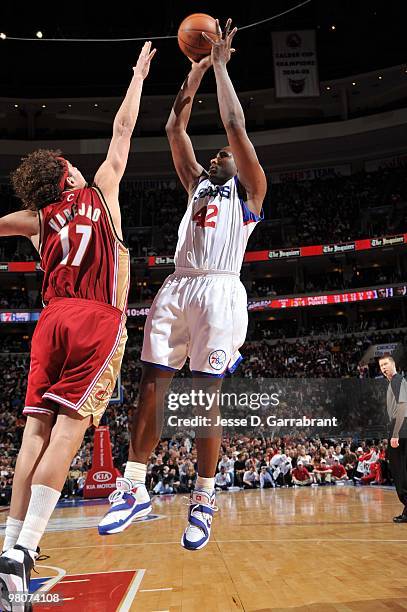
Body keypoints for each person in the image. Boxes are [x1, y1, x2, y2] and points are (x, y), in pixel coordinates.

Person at [98, 18, 266, 551]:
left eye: (223, 155)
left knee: (203, 398)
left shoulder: (251, 192)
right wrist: (192, 74)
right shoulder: (196, 183)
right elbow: (175, 128)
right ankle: (133, 486)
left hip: (220, 290)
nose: (218, 154)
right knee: (151, 384)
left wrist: (219, 68)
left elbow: (236, 125)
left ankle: (203, 497)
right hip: (178, 286)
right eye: (213, 153)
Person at [0, 42, 156, 604]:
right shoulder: (101, 190)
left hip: (49, 323)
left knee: (32, 437)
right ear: (66, 173)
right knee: (68, 434)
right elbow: (123, 130)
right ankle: (22, 553)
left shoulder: (36, 220)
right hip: (95, 318)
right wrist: (137, 76)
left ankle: (10, 544)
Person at [379, 355, 407, 522]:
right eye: (381, 365)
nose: (383, 368)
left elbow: (403, 406)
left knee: (399, 472)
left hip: (401, 428)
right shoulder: (396, 382)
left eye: (386, 364)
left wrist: (395, 433)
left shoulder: (397, 380)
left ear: (394, 364)